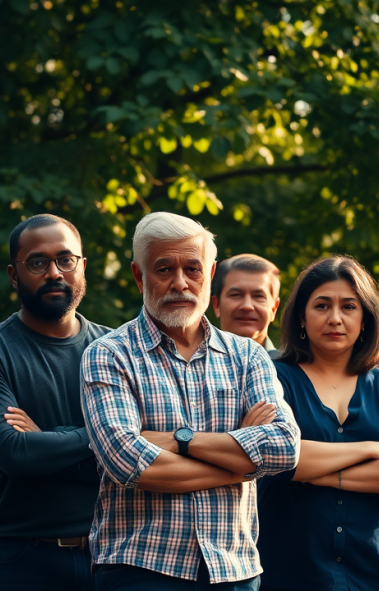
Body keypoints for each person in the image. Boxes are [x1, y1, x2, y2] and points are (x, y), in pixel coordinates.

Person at [81, 212, 301, 590]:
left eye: (193, 269)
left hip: (234, 571)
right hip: (141, 569)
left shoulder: (247, 355)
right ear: (139, 276)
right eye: (164, 269)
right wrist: (240, 463)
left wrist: (179, 440)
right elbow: (128, 462)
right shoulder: (109, 354)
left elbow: (283, 448)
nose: (180, 283)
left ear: (210, 274)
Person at [257, 256, 379, 591]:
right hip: (288, 572)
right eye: (322, 306)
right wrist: (375, 448)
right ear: (301, 317)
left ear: (365, 319)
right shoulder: (272, 377)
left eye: (349, 307)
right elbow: (272, 456)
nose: (335, 318)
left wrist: (313, 471)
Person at [0, 214, 111, 591]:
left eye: (65, 260)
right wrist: (108, 438)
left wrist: (47, 438)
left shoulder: (116, 351)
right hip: (20, 559)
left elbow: (140, 455)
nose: (54, 272)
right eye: (38, 262)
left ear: (82, 266)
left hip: (111, 554)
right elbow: (15, 453)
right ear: (14, 275)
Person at [211, 254, 281, 353]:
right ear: (216, 305)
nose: (247, 306)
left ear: (274, 309)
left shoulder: (292, 363)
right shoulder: (194, 362)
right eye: (236, 295)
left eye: (258, 296)